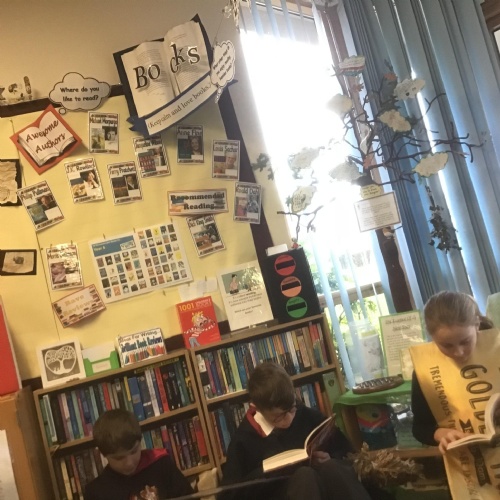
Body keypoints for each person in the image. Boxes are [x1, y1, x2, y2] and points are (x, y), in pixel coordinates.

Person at [218, 363, 375, 500]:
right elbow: (229, 494)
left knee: (332, 468)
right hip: (283, 494)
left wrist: (330, 457)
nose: (289, 419)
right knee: (304, 476)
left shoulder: (306, 415)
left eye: (292, 409)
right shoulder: (243, 440)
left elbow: (349, 453)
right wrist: (265, 473)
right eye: (279, 416)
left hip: (325, 488)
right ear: (257, 408)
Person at [410, 291, 500, 498]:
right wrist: (440, 434)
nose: (458, 352)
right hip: (471, 470)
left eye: (465, 341)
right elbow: (420, 427)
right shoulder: (425, 372)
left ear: (477, 324)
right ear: (432, 338)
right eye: (447, 345)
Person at [83, 409, 193, 500]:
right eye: (119, 458)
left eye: (134, 451)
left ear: (140, 442)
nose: (129, 463)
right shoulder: (95, 492)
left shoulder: (161, 465)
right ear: (103, 455)